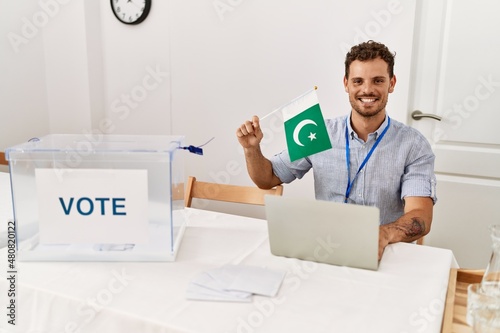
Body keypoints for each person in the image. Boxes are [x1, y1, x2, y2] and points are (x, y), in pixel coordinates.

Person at [235, 40, 436, 260]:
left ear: (392, 83)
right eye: (358, 81)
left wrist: (382, 234)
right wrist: (251, 149)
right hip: (324, 251)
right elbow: (268, 178)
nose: (367, 89)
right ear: (346, 84)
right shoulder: (319, 133)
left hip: (384, 253)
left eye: (378, 80)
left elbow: (421, 216)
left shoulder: (413, 145)